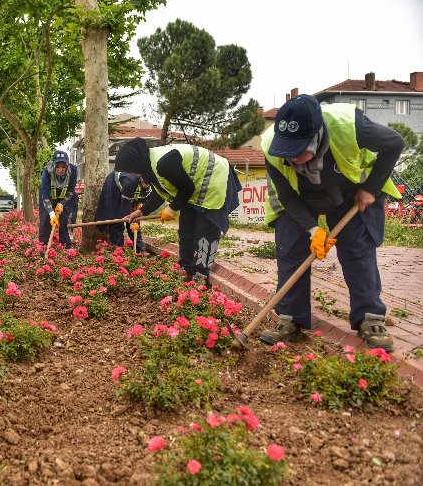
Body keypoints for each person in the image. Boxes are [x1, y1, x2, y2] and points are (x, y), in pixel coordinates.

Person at [258, 94, 403, 352]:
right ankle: (290, 320)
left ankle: (370, 318)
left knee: (357, 249)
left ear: (315, 135)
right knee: (291, 249)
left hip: (350, 191)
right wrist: (313, 229)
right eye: (286, 151)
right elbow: (288, 198)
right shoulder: (271, 146)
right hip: (300, 195)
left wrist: (371, 188)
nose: (291, 157)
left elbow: (395, 143)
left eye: (297, 150)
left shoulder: (351, 125)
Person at [117, 138, 241, 284]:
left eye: (129, 170)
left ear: (135, 164)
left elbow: (187, 188)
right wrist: (142, 211)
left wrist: (172, 208)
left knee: (205, 234)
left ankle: (200, 275)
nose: (131, 174)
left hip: (214, 180)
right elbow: (160, 192)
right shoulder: (150, 168)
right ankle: (185, 267)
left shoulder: (163, 163)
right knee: (185, 232)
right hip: (193, 191)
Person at [94, 171, 151, 252]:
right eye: (143, 183)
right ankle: (118, 250)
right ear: (141, 179)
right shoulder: (131, 180)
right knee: (117, 219)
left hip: (129, 193)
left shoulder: (151, 185)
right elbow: (125, 203)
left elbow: (144, 202)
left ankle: (139, 249)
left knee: (135, 221)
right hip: (115, 185)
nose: (145, 185)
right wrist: (131, 217)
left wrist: (137, 212)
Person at [39, 150, 78, 248]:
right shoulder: (46, 173)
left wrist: (62, 203)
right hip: (49, 196)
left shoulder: (73, 170)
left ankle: (65, 244)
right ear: (54, 166)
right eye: (58, 166)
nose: (60, 169)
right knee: (46, 219)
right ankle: (43, 245)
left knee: (67, 219)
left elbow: (71, 190)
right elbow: (45, 197)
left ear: (67, 166)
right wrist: (52, 213)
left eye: (63, 167)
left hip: (66, 196)